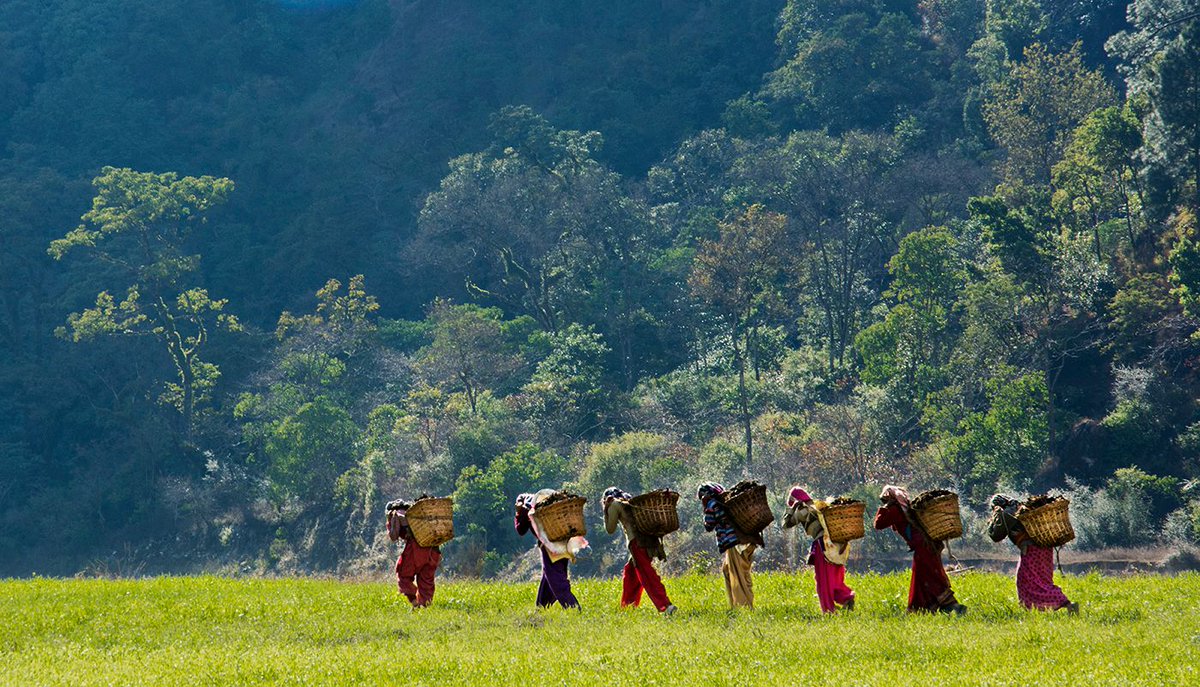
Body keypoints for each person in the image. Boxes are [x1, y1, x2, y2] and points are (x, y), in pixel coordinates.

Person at [872, 485, 966, 615]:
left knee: (931, 577)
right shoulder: (907, 508)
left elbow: (879, 524)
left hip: (923, 548)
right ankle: (927, 609)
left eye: (885, 500)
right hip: (928, 546)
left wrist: (884, 508)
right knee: (923, 578)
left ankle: (951, 606)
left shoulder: (895, 510)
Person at [988, 494, 1078, 613]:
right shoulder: (1019, 508)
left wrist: (992, 521)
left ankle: (1064, 603)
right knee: (1043, 581)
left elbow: (996, 535)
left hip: (1032, 551)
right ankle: (1039, 610)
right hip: (1045, 549)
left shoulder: (1006, 513)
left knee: (1026, 581)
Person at [602, 487, 677, 615]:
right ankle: (628, 607)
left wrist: (606, 510)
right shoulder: (629, 500)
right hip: (649, 540)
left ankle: (665, 606)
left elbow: (610, 529)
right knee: (630, 572)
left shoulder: (614, 504)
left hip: (636, 543)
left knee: (647, 575)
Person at [782, 486, 855, 613]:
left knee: (823, 580)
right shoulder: (819, 505)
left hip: (823, 546)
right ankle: (846, 597)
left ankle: (828, 610)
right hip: (837, 545)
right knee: (834, 577)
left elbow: (786, 524)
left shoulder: (803, 511)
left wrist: (792, 508)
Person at [697, 482, 764, 609]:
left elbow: (709, 526)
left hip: (733, 542)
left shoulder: (712, 504)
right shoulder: (726, 502)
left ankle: (743, 606)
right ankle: (737, 603)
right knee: (729, 570)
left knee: (737, 575)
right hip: (747, 541)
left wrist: (705, 509)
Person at [515, 490, 584, 609]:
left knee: (556, 579)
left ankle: (572, 607)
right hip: (563, 544)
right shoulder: (545, 507)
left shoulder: (527, 510)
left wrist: (518, 513)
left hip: (549, 548)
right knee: (549, 577)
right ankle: (542, 607)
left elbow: (521, 529)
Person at [387, 499, 441, 608]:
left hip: (416, 549)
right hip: (433, 549)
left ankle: (415, 602)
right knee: (426, 580)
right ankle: (425, 606)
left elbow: (394, 536)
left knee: (403, 574)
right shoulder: (416, 515)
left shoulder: (395, 514)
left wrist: (390, 524)